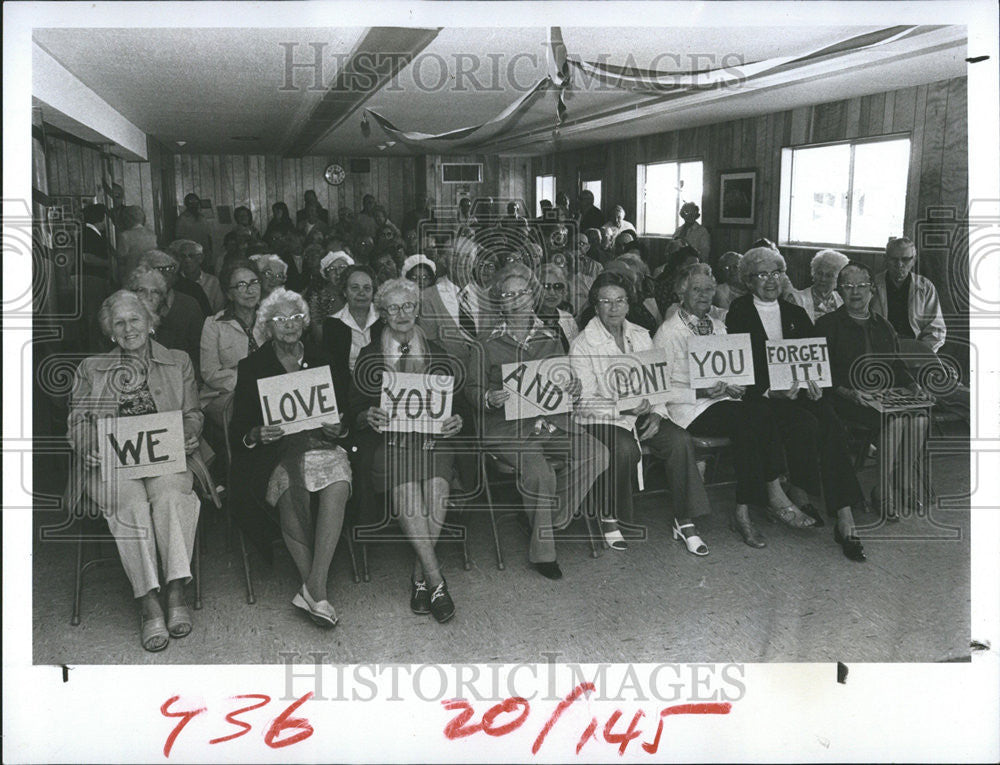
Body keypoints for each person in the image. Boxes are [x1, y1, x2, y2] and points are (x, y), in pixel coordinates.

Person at [68, 290, 202, 651]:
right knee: (130, 503)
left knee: (172, 495)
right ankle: (148, 601)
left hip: (165, 458)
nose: (128, 329)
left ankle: (176, 590)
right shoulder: (91, 369)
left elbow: (193, 414)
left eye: (135, 319)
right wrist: (86, 444)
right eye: (119, 323)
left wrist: (190, 433)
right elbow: (78, 421)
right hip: (113, 465)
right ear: (110, 332)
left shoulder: (178, 362)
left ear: (150, 322)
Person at [725, 247, 866, 561]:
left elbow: (814, 361)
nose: (771, 280)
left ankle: (845, 517)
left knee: (830, 421)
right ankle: (792, 494)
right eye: (762, 274)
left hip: (796, 394)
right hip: (760, 398)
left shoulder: (795, 313)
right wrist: (768, 391)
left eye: (776, 272)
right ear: (749, 281)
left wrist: (814, 383)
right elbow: (740, 366)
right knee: (801, 424)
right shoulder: (739, 311)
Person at [470, 265, 608, 576]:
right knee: (541, 474)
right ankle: (543, 552)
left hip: (551, 422)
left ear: (533, 296)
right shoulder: (485, 342)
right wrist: (487, 399)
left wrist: (573, 387)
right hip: (508, 429)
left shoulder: (550, 336)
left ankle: (549, 516)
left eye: (522, 293)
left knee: (597, 453)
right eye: (508, 295)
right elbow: (472, 389)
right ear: (499, 303)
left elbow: (565, 380)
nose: (516, 300)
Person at [654, 264, 805, 548]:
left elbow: (737, 373)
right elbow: (660, 387)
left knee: (760, 413)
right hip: (690, 407)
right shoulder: (669, 332)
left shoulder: (719, 326)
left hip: (724, 402)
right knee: (747, 421)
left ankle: (748, 505)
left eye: (709, 289)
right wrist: (700, 389)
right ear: (682, 293)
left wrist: (738, 386)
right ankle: (763, 498)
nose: (704, 295)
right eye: (696, 289)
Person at [228, 288, 351, 627]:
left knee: (338, 484)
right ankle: (318, 591)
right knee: (286, 486)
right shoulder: (252, 367)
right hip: (275, 452)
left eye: (295, 318)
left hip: (320, 446)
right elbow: (239, 428)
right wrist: (256, 433)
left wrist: (337, 428)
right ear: (267, 325)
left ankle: (314, 587)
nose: (289, 325)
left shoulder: (323, 358)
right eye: (280, 320)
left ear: (304, 321)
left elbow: (344, 412)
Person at [570, 271, 714, 555]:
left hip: (644, 411)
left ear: (628, 303)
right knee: (624, 449)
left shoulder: (640, 335)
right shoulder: (583, 344)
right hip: (601, 418)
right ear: (595, 305)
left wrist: (658, 413)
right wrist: (622, 407)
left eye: (620, 301)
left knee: (679, 440)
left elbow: (658, 385)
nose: (614, 308)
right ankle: (610, 515)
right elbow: (583, 402)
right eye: (606, 302)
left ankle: (683, 520)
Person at [348, 278, 465, 622]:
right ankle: (436, 581)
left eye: (408, 306)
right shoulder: (369, 356)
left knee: (436, 486)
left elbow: (458, 404)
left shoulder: (437, 351)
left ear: (417, 309)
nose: (402, 314)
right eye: (393, 308)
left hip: (432, 438)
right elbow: (353, 406)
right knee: (406, 484)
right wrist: (365, 414)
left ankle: (420, 577)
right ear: (382, 314)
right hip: (389, 440)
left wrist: (457, 418)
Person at [818, 263, 932, 521]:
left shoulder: (883, 325)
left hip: (882, 396)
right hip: (844, 398)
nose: (855, 292)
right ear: (839, 290)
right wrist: (846, 391)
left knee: (920, 417)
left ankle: (902, 480)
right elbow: (821, 370)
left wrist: (914, 386)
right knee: (895, 419)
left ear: (872, 289)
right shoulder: (827, 324)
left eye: (861, 286)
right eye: (848, 286)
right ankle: (882, 490)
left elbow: (896, 365)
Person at [199, 258, 261, 427]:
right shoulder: (214, 324)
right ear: (229, 294)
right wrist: (248, 384)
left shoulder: (270, 319)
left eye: (254, 282)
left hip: (268, 389)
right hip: (226, 394)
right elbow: (209, 373)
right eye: (241, 285)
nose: (250, 290)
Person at [129, 257, 205, 379]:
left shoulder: (168, 329)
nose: (149, 297)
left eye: (155, 292)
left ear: (162, 297)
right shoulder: (121, 323)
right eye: (141, 290)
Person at [870, 236, 946, 353]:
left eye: (905, 259)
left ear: (914, 260)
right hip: (879, 350)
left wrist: (920, 352)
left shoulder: (925, 287)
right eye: (894, 259)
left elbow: (936, 329)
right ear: (885, 259)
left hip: (915, 350)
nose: (899, 264)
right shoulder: (872, 285)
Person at [323, 264, 382, 385]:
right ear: (344, 292)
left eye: (367, 288)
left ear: (373, 292)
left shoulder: (384, 319)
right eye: (355, 288)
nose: (361, 293)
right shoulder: (332, 325)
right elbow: (333, 371)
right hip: (347, 391)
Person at [307, 250, 353, 342]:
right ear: (326, 275)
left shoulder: (357, 292)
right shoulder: (319, 298)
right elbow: (318, 336)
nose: (338, 272)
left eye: (342, 267)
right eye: (331, 269)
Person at [791, 249, 848, 321]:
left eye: (829, 275)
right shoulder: (797, 299)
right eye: (819, 273)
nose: (823, 279)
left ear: (839, 279)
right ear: (813, 273)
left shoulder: (843, 300)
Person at [155, 244, 211, 317]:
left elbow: (206, 321)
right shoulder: (145, 290)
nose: (163, 272)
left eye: (169, 268)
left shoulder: (193, 289)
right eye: (158, 268)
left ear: (177, 267)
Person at [172, 239, 225, 314]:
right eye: (183, 256)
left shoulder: (213, 282)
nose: (187, 260)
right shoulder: (175, 281)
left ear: (200, 258)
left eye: (191, 256)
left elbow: (219, 311)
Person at [537, 263, 579, 350]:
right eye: (546, 286)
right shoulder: (528, 320)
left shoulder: (568, 319)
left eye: (557, 286)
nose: (552, 293)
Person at [114, 206, 157, 282]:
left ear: (127, 219)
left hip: (132, 276)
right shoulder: (152, 234)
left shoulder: (125, 236)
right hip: (149, 275)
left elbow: (121, 260)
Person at [174, 193, 215, 273]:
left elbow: (208, 235)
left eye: (196, 202)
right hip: (190, 254)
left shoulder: (202, 217)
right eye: (191, 202)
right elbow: (179, 239)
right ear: (186, 204)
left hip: (204, 252)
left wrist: (210, 251)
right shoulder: (182, 219)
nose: (194, 204)